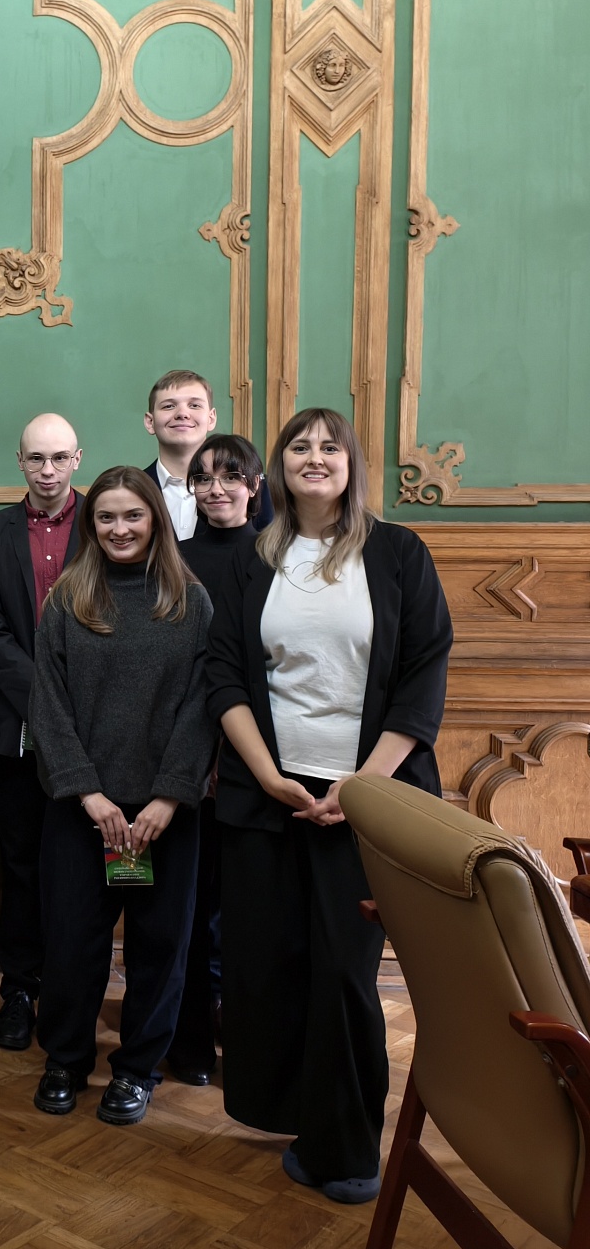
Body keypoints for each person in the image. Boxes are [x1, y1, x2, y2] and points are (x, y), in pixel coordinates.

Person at [207, 408, 452, 1204]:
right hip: (268, 798)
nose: (314, 457)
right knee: (271, 966)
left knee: (345, 974)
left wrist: (360, 786)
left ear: (353, 464)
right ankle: (296, 1123)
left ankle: (347, 1152)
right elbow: (224, 676)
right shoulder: (252, 559)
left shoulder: (398, 553)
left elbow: (422, 677)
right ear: (278, 468)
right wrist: (267, 774)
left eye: (330, 446)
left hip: (369, 801)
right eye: (299, 446)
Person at [28, 466, 215, 1127]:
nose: (119, 528)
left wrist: (167, 798)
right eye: (106, 517)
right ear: (90, 525)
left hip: (164, 816)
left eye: (133, 515)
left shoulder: (191, 603)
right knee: (72, 943)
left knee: (159, 948)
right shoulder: (67, 601)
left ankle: (137, 1069)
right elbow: (48, 707)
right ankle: (65, 1059)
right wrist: (89, 794)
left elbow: (202, 709)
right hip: (85, 813)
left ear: (155, 520)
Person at [0, 413, 83, 1052]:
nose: (47, 470)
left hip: (96, 726)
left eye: (59, 457)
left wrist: (77, 706)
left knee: (82, 867)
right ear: (20, 462)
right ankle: (18, 990)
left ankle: (72, 991)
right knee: (21, 863)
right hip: (20, 726)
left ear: (77, 460)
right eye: (36, 458)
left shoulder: (109, 521)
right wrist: (47, 704)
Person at [164, 431, 266, 1083]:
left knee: (249, 909)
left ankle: (250, 1042)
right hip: (190, 753)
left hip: (259, 757)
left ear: (255, 487)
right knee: (190, 908)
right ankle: (190, 1041)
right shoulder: (174, 559)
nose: (216, 488)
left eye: (230, 476)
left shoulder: (279, 557)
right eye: (203, 478)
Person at [142, 371, 221, 541]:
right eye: (169, 406)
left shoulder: (244, 491)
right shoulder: (132, 490)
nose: (182, 413)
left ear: (211, 418)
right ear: (150, 422)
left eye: (195, 405)